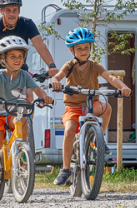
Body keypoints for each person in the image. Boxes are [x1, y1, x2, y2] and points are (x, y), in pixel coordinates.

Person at [49, 27, 131, 186]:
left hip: (91, 104)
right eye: (79, 48)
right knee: (69, 130)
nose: (83, 51)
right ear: (71, 49)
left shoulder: (95, 66)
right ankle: (65, 169)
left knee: (107, 107)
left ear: (91, 48)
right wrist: (55, 81)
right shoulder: (69, 65)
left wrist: (123, 87)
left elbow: (111, 78)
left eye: (86, 47)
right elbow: (58, 76)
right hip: (73, 107)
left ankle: (100, 140)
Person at [0, 36, 53, 191]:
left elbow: (36, 89)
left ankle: (21, 150)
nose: (17, 60)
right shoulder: (0, 75)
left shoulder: (25, 75)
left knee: (24, 121)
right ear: (3, 58)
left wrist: (44, 97)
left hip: (14, 112)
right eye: (12, 56)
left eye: (20, 56)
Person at [0, 0, 57, 83]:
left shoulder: (27, 23)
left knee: (29, 92)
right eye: (8, 10)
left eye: (15, 10)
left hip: (21, 72)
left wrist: (52, 66)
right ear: (1, 11)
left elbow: (40, 45)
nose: (11, 14)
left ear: (19, 11)